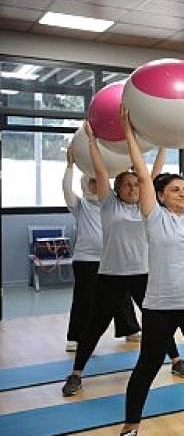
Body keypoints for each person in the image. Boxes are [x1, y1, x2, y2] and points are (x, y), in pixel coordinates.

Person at [116, 110, 184, 436]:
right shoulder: (154, 218)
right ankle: (130, 428)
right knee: (147, 365)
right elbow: (142, 175)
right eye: (175, 190)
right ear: (160, 196)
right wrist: (130, 130)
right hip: (161, 305)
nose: (183, 194)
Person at [62, 127, 184, 397]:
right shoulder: (108, 204)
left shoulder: (148, 206)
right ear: (117, 188)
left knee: (158, 321)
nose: (133, 187)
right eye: (127, 184)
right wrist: (93, 142)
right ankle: (76, 373)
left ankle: (177, 360)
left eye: (136, 184)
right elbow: (99, 171)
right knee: (94, 326)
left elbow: (151, 176)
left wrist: (163, 143)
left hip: (144, 274)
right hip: (111, 275)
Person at [62, 150, 102, 353]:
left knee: (121, 296)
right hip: (86, 260)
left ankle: (129, 328)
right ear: (86, 184)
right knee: (84, 300)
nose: (96, 184)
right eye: (92, 181)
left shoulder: (110, 203)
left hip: (111, 260)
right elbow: (66, 190)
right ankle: (75, 337)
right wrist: (69, 167)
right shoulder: (81, 206)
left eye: (98, 181)